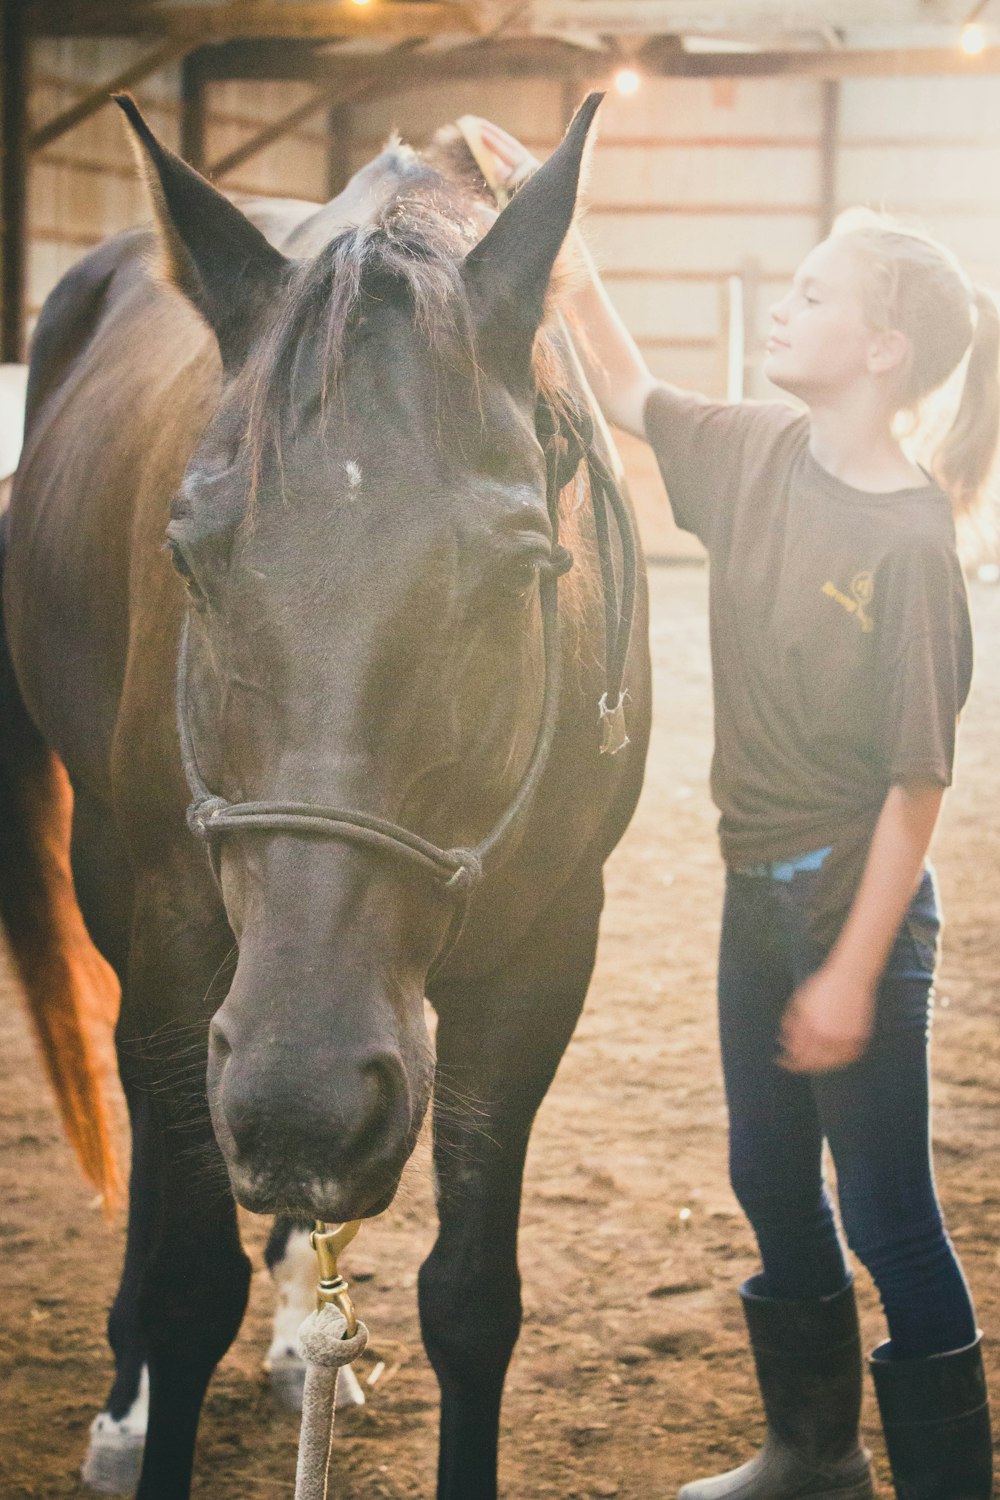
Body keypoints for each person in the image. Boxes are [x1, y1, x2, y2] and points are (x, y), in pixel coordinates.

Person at [470, 117, 996, 1500]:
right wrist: (559, 244)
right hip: (752, 892)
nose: (786, 300)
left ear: (884, 351)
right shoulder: (757, 448)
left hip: (853, 911)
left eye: (817, 291)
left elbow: (918, 785)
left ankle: (952, 1484)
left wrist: (851, 970)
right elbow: (633, 394)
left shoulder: (908, 543)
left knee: (889, 1219)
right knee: (768, 1178)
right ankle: (813, 1454)